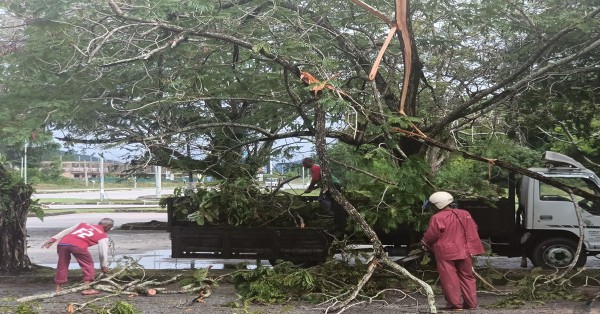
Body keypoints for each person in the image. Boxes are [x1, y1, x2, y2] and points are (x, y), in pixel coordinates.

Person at [421, 192, 484, 311]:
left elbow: (432, 235)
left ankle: (455, 305)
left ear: (438, 205)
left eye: (433, 205)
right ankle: (471, 304)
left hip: (446, 252)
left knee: (449, 278)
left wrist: (424, 242)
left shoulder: (437, 217)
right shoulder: (465, 214)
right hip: (465, 250)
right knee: (467, 276)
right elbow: (474, 228)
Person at [42, 218, 114, 295]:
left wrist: (53, 239)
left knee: (62, 264)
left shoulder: (82, 224)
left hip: (63, 243)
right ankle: (87, 288)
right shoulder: (103, 236)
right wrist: (103, 266)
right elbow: (103, 253)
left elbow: (66, 231)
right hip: (78, 246)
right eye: (110, 228)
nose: (109, 230)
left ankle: (58, 288)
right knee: (87, 265)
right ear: (107, 226)